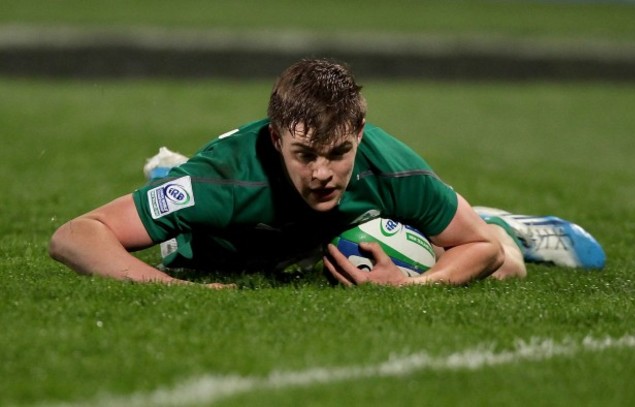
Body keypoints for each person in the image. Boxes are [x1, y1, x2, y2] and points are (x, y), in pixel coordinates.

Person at [49, 58, 604, 288]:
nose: (322, 172)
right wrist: (168, 290)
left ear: (359, 135)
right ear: (275, 139)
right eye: (304, 154)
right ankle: (164, 180)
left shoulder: (390, 165)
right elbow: (75, 235)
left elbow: (479, 251)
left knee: (505, 264)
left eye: (339, 152)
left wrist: (414, 287)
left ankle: (510, 226)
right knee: (182, 251)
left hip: (339, 231)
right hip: (238, 240)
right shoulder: (222, 179)